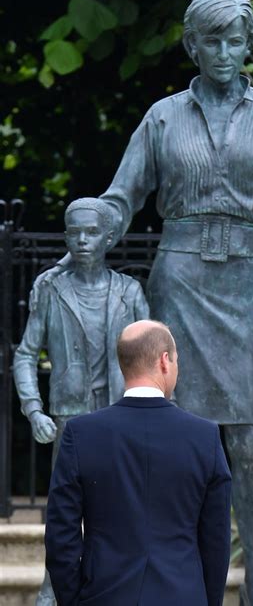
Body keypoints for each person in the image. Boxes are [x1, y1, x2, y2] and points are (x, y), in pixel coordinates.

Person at [41, 0, 253, 604]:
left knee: (248, 438)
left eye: (234, 40)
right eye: (211, 40)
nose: (223, 52)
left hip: (245, 282)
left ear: (249, 44)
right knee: (171, 425)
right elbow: (122, 198)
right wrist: (85, 242)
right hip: (179, 279)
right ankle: (165, 561)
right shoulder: (164, 116)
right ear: (191, 44)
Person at [14, 197, 150, 606]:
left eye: (92, 232)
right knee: (65, 508)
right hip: (70, 415)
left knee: (124, 504)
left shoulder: (129, 292)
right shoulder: (51, 289)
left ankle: (118, 584)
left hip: (120, 413)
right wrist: (33, 408)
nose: (83, 240)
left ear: (109, 237)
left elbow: (156, 357)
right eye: (74, 232)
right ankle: (52, 587)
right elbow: (25, 354)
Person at [45, 320, 232, 606]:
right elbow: (216, 540)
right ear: (165, 361)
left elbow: (61, 538)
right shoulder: (204, 435)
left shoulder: (81, 433)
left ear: (124, 364)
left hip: (103, 595)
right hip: (183, 596)